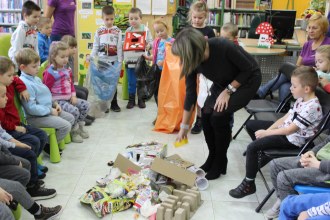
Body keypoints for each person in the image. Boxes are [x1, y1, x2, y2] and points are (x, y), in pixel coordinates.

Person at [172, 28, 261, 180]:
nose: (183, 61)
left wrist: (228, 91)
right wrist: (184, 127)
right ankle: (212, 158)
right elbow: (191, 95)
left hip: (247, 80)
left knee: (218, 116)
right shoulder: (192, 61)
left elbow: (249, 69)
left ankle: (220, 161)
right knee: (206, 114)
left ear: (194, 51)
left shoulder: (223, 46)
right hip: (224, 82)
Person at [229, 66, 323, 199]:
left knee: (252, 147)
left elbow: (291, 130)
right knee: (250, 125)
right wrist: (267, 131)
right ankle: (260, 158)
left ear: (306, 89)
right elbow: (285, 118)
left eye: (294, 86)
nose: (290, 89)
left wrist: (266, 134)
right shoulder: (302, 99)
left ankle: (249, 183)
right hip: (286, 132)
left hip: (294, 140)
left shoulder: (312, 107)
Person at [0, 82, 56, 200]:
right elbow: (3, 142)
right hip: (8, 138)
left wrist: (17, 143)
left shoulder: (7, 87)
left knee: (39, 137)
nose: (7, 98)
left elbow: (2, 135)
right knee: (29, 152)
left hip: (9, 137)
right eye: (3, 96)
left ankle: (33, 174)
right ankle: (32, 187)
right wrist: (16, 147)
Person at [257, 14, 330, 101]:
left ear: (323, 29)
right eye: (309, 27)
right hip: (303, 76)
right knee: (285, 86)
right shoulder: (307, 44)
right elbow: (298, 65)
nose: (310, 31)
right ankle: (283, 111)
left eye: (314, 28)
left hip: (315, 81)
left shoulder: (328, 45)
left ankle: (261, 92)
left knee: (285, 70)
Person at [17, 48, 74, 153]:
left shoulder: (35, 78)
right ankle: (47, 145)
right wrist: (49, 110)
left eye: (38, 65)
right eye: (34, 66)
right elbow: (31, 109)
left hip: (47, 111)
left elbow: (47, 94)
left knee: (70, 118)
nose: (38, 68)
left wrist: (55, 104)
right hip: (34, 117)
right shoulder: (25, 83)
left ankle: (51, 143)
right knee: (66, 126)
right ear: (22, 67)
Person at [0, 55, 49, 178]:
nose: (13, 77)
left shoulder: (10, 82)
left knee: (42, 135)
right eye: (9, 75)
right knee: (33, 141)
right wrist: (15, 128)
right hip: (9, 128)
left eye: (13, 74)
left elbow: (17, 79)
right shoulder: (1, 92)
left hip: (16, 124)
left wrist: (22, 89)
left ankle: (34, 163)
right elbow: (3, 121)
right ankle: (32, 173)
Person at [264, 135, 330, 219]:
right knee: (275, 165)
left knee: (284, 177)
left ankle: (291, 213)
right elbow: (326, 142)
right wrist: (311, 153)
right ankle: (282, 200)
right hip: (318, 160)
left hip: (326, 170)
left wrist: (317, 164)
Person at [43, 42, 90, 143]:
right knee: (75, 111)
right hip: (58, 101)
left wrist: (73, 95)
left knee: (86, 105)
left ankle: (79, 127)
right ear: (53, 57)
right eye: (62, 57)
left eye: (67, 56)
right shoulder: (50, 73)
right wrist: (53, 104)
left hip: (69, 98)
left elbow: (71, 84)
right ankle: (74, 131)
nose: (65, 59)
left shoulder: (67, 69)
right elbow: (46, 90)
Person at [188, 1, 216, 134]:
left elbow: (213, 50)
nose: (197, 20)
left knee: (202, 95)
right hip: (190, 67)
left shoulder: (209, 31)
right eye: (194, 17)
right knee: (191, 94)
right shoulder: (188, 30)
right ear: (191, 16)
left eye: (200, 18)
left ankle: (200, 120)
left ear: (205, 17)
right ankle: (189, 119)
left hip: (204, 68)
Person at [90, 5, 122, 113]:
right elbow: (95, 46)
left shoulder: (117, 31)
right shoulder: (99, 31)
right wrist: (91, 57)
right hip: (102, 61)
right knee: (103, 83)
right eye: (107, 19)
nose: (109, 21)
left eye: (111, 19)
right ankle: (104, 105)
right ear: (102, 18)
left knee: (113, 83)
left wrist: (120, 61)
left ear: (114, 18)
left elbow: (119, 47)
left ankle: (114, 103)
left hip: (113, 62)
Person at [144, 18, 175, 124]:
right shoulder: (156, 41)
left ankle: (167, 115)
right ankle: (160, 114)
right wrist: (149, 58)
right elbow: (155, 56)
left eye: (162, 30)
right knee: (157, 94)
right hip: (157, 72)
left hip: (167, 73)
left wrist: (165, 61)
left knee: (167, 95)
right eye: (157, 31)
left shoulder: (172, 42)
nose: (159, 33)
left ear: (167, 28)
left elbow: (174, 58)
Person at [61, 35, 94, 125]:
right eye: (72, 47)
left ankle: (84, 114)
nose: (74, 49)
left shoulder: (70, 58)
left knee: (85, 90)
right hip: (64, 88)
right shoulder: (62, 61)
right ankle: (80, 118)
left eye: (75, 47)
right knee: (81, 93)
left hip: (69, 84)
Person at [124, 7, 153, 109]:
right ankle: (131, 100)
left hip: (141, 60)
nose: (133, 21)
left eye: (136, 18)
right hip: (130, 61)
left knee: (141, 81)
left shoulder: (145, 29)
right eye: (131, 18)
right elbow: (125, 45)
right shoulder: (128, 30)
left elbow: (151, 42)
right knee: (131, 81)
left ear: (141, 19)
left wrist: (149, 45)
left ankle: (141, 99)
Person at [8, 1, 41, 69]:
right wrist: (16, 68)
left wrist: (38, 62)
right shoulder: (21, 29)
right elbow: (17, 49)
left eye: (38, 17)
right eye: (35, 17)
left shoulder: (34, 28)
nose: (37, 19)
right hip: (20, 62)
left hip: (29, 61)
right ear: (25, 15)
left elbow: (35, 47)